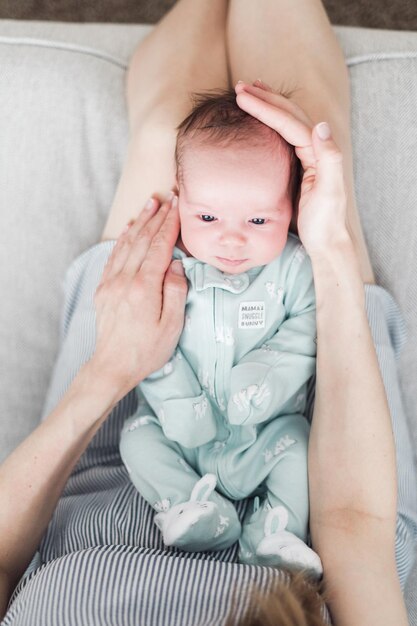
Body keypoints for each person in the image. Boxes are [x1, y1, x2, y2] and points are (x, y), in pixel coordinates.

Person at [0, 0, 415, 624]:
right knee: (310, 131)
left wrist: (112, 367)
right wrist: (327, 247)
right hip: (326, 486)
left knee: (167, 131)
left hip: (103, 445)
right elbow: (354, 526)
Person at [119, 88, 323, 576]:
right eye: (207, 217)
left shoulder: (294, 270)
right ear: (180, 196)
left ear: (291, 206)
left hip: (262, 437)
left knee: (297, 443)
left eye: (258, 219)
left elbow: (306, 331)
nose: (231, 238)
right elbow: (148, 340)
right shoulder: (170, 266)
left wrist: (264, 375)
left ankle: (276, 532)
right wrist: (176, 401)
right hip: (180, 437)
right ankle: (191, 506)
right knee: (135, 439)